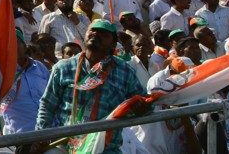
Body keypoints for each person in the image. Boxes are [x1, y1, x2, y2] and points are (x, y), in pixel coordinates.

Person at [33, 21, 147, 154]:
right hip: (67, 146)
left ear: (113, 45)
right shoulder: (63, 67)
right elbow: (47, 105)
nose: (95, 34)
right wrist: (40, 137)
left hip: (106, 148)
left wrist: (141, 108)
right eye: (92, 31)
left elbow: (143, 102)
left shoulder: (125, 71)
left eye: (103, 33)